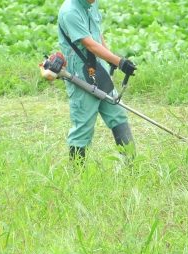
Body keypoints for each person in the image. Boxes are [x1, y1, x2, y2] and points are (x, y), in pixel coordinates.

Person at [57, 0, 137, 163]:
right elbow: (89, 44)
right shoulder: (70, 11)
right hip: (80, 74)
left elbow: (97, 34)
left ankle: (131, 166)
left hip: (98, 69)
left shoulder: (92, 4)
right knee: (83, 126)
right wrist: (119, 62)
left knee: (118, 115)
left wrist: (109, 57)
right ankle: (78, 176)